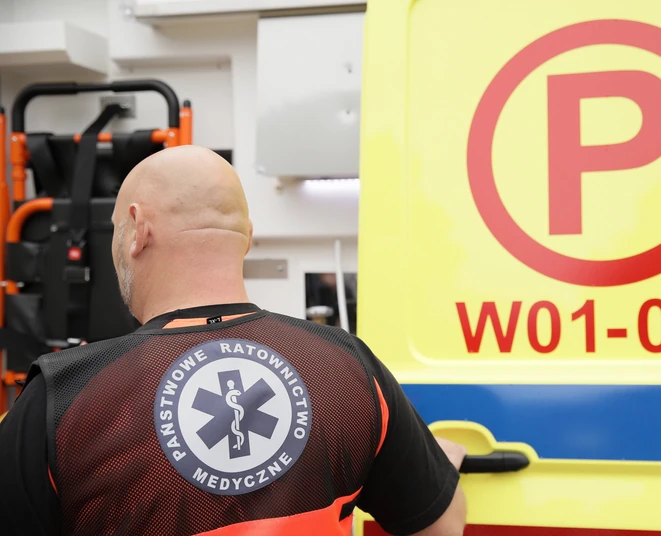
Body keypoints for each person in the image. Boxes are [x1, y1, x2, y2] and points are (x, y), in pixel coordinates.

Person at [0, 146, 467, 535]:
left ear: (138, 229)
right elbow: (441, 526)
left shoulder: (65, 399)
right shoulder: (347, 368)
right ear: (247, 235)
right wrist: (437, 470)